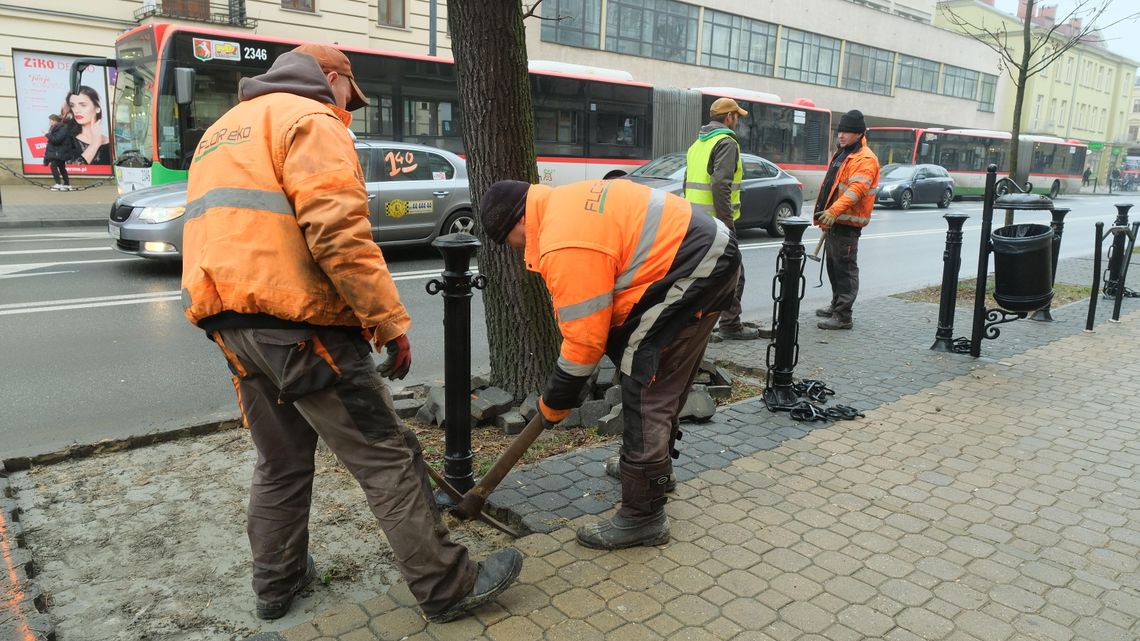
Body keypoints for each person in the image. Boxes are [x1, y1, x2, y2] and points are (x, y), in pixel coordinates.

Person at [180, 44, 521, 623]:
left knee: (280, 463)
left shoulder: (224, 130)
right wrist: (389, 324)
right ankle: (447, 587)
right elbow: (340, 236)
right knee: (388, 458)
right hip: (302, 324)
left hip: (230, 324)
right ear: (332, 79)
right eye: (351, 97)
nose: (350, 110)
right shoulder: (310, 120)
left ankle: (276, 584)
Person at [480, 177, 741, 550]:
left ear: (517, 222)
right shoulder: (562, 202)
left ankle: (644, 514)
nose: (514, 250)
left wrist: (554, 403)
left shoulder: (563, 241)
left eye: (508, 241)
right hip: (706, 256)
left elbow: (585, 341)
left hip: (697, 264)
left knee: (644, 384)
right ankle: (653, 472)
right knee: (662, 378)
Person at [685, 97, 761, 341]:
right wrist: (727, 223)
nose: (737, 120)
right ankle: (730, 325)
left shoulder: (698, 144)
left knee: (703, 276)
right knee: (733, 273)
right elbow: (720, 184)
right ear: (729, 117)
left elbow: (688, 182)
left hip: (697, 221)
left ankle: (696, 327)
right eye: (736, 116)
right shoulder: (726, 142)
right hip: (717, 224)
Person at [813, 109, 880, 330]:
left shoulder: (866, 159)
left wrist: (833, 211)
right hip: (835, 222)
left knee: (845, 269)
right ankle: (836, 305)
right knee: (834, 267)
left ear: (860, 134)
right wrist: (828, 214)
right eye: (840, 131)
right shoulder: (843, 154)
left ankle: (843, 316)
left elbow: (855, 191)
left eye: (847, 132)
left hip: (846, 223)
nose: (841, 135)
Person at [64, 85, 111, 165]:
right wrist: (95, 144)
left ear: (97, 108)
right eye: (73, 106)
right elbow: (71, 171)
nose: (76, 110)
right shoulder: (66, 138)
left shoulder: (111, 143)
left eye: (83, 105)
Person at [43, 113, 79, 190]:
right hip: (59, 152)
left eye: (51, 120)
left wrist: (47, 134)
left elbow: (56, 140)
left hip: (59, 152)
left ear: (55, 121)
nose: (50, 122)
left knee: (53, 167)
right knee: (62, 168)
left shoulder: (62, 128)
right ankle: (67, 184)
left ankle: (58, 184)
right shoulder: (57, 128)